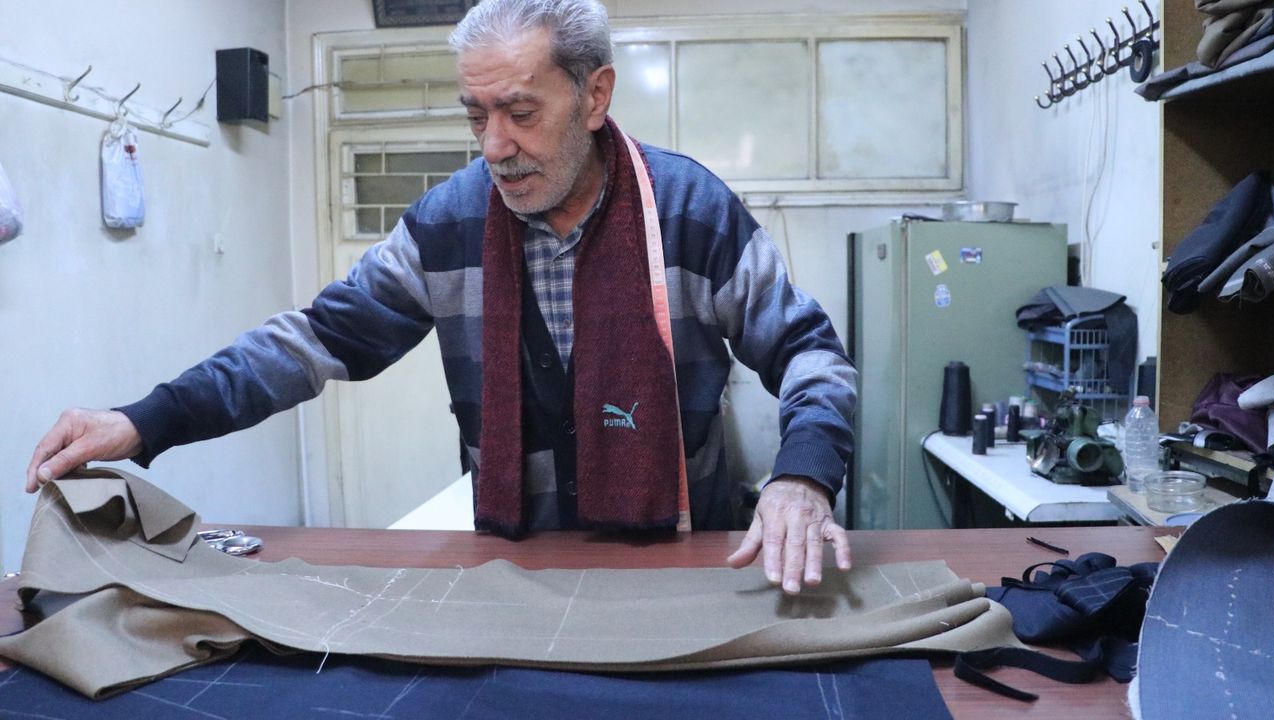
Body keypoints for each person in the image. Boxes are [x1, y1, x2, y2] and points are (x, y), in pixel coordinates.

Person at [26, 0, 857, 595]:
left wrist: (804, 478)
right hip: (513, 568)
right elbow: (313, 341)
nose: (494, 146)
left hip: (684, 560)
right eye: (476, 116)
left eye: (521, 113)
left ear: (595, 97)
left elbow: (813, 355)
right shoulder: (448, 225)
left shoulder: (689, 212)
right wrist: (147, 419)